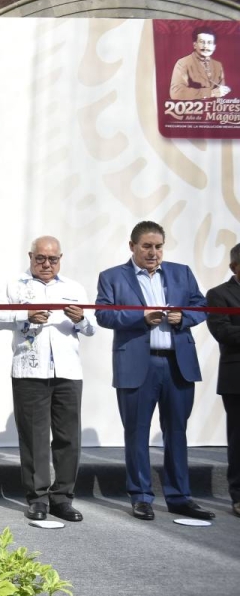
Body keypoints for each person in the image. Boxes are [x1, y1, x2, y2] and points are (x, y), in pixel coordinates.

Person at [95, 220, 214, 521]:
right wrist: (140, 318)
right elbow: (103, 315)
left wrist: (182, 316)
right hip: (138, 364)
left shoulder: (181, 272)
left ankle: (179, 496)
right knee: (137, 433)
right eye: (146, 246)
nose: (153, 252)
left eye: (158, 246)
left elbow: (201, 306)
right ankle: (141, 496)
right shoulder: (112, 277)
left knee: (177, 432)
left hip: (177, 363)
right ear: (132, 246)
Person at [0, 236, 96, 522]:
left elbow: (90, 329)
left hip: (68, 371)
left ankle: (63, 498)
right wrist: (26, 316)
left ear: (61, 258)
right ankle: (37, 498)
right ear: (30, 256)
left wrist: (80, 320)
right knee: (34, 438)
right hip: (30, 369)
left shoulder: (73, 287)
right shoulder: (16, 285)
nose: (46, 264)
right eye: (40, 258)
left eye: (53, 259)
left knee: (67, 437)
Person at [205, 242, 240, 518]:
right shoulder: (218, 295)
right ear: (234, 267)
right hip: (236, 377)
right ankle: (238, 496)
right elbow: (224, 333)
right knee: (238, 439)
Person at [169, 26, 230, 100]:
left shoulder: (218, 65)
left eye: (209, 43)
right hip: (191, 110)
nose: (206, 46)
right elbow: (176, 93)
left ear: (214, 47)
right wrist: (211, 93)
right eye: (202, 42)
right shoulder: (182, 63)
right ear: (194, 45)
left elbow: (220, 95)